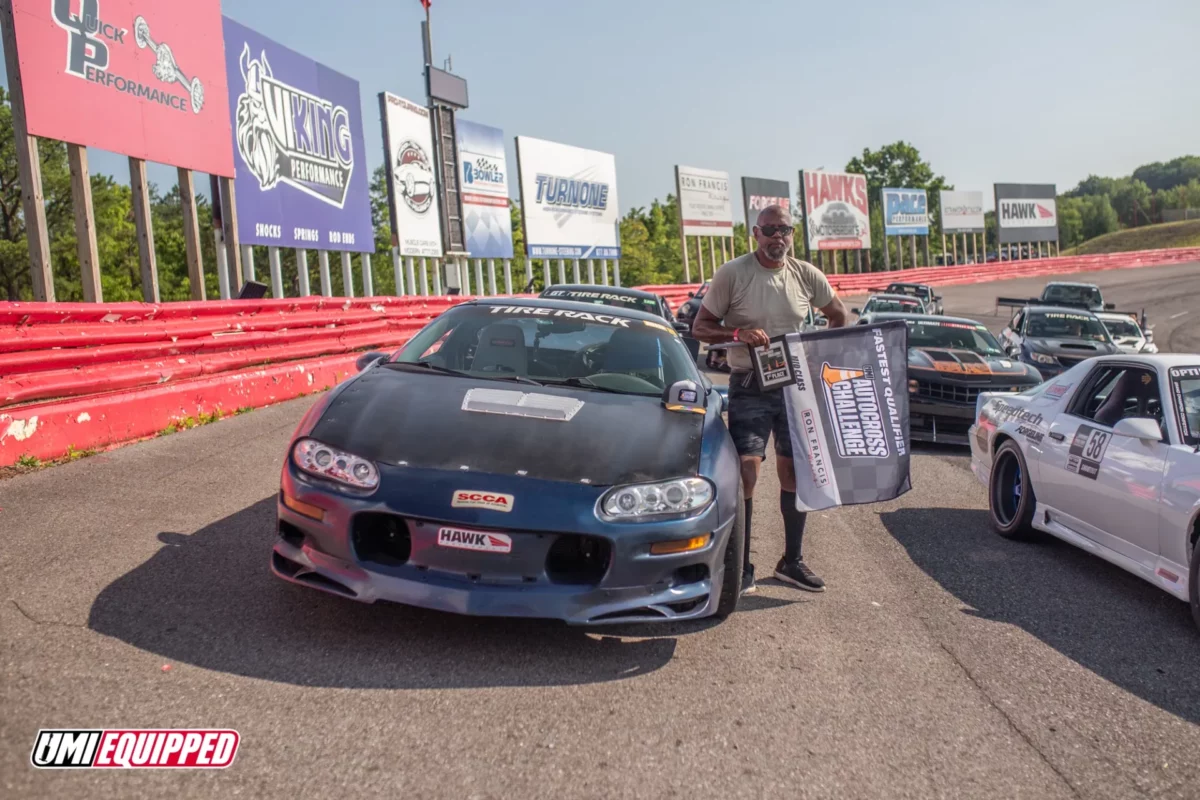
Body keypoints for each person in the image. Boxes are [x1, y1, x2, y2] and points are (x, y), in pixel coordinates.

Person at [690, 204, 848, 595]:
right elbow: (700, 327)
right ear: (755, 234)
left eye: (785, 230)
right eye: (770, 230)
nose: (779, 237)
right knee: (747, 471)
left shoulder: (805, 274)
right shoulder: (733, 273)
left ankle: (790, 562)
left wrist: (816, 355)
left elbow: (838, 315)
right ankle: (739, 565)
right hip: (749, 383)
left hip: (795, 387)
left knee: (794, 472)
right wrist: (738, 332)